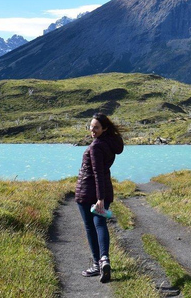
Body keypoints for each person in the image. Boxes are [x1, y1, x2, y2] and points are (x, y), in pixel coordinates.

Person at [75, 113, 124, 283]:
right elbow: (102, 173)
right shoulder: (108, 144)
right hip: (103, 190)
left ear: (104, 129)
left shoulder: (96, 146)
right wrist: (103, 196)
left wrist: (99, 198)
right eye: (91, 126)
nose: (92, 130)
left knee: (91, 227)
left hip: (88, 192)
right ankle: (104, 260)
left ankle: (98, 263)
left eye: (96, 127)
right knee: (100, 224)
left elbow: (97, 173)